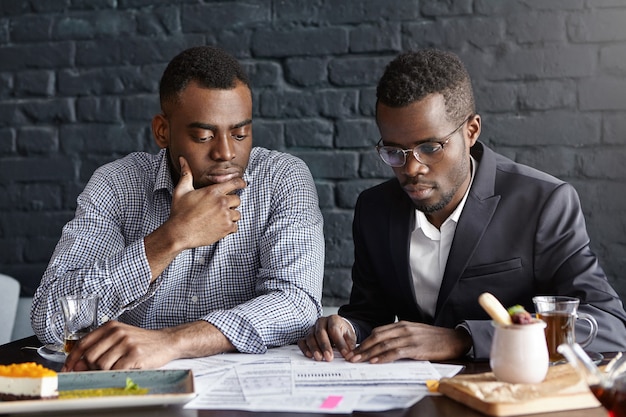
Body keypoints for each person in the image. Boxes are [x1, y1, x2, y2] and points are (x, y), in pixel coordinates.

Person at [298, 49, 626, 363]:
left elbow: (607, 325)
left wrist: (463, 339)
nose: (411, 169)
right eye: (394, 151)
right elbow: (371, 314)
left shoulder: (543, 203)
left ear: (471, 131)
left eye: (430, 147)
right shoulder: (374, 208)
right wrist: (347, 327)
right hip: (414, 395)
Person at [31, 46, 325, 371]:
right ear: (163, 131)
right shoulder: (116, 185)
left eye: (240, 133)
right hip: (138, 387)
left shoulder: (283, 178)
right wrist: (171, 237)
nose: (226, 152)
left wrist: (173, 342)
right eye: (203, 136)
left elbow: (296, 305)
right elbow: (52, 318)